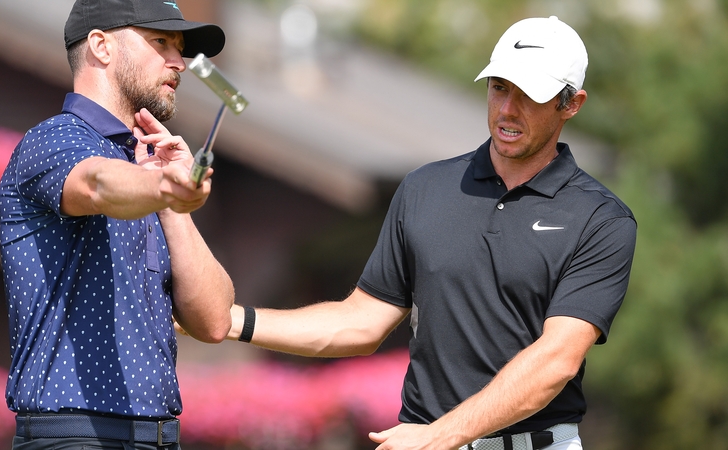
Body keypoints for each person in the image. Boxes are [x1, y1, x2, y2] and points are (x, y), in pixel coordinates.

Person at [222, 16, 636, 450]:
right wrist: (231, 321)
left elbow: (556, 361)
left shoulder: (600, 218)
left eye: (530, 95)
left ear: (571, 104)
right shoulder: (424, 188)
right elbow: (361, 322)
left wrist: (443, 435)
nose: (508, 109)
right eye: (499, 87)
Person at [0, 0, 234, 448]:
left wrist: (171, 203)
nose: (178, 62)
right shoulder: (54, 139)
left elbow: (214, 321)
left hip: (157, 436)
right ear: (101, 47)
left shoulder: (144, 167)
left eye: (180, 48)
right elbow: (96, 184)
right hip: (72, 435)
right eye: (160, 41)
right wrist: (165, 185)